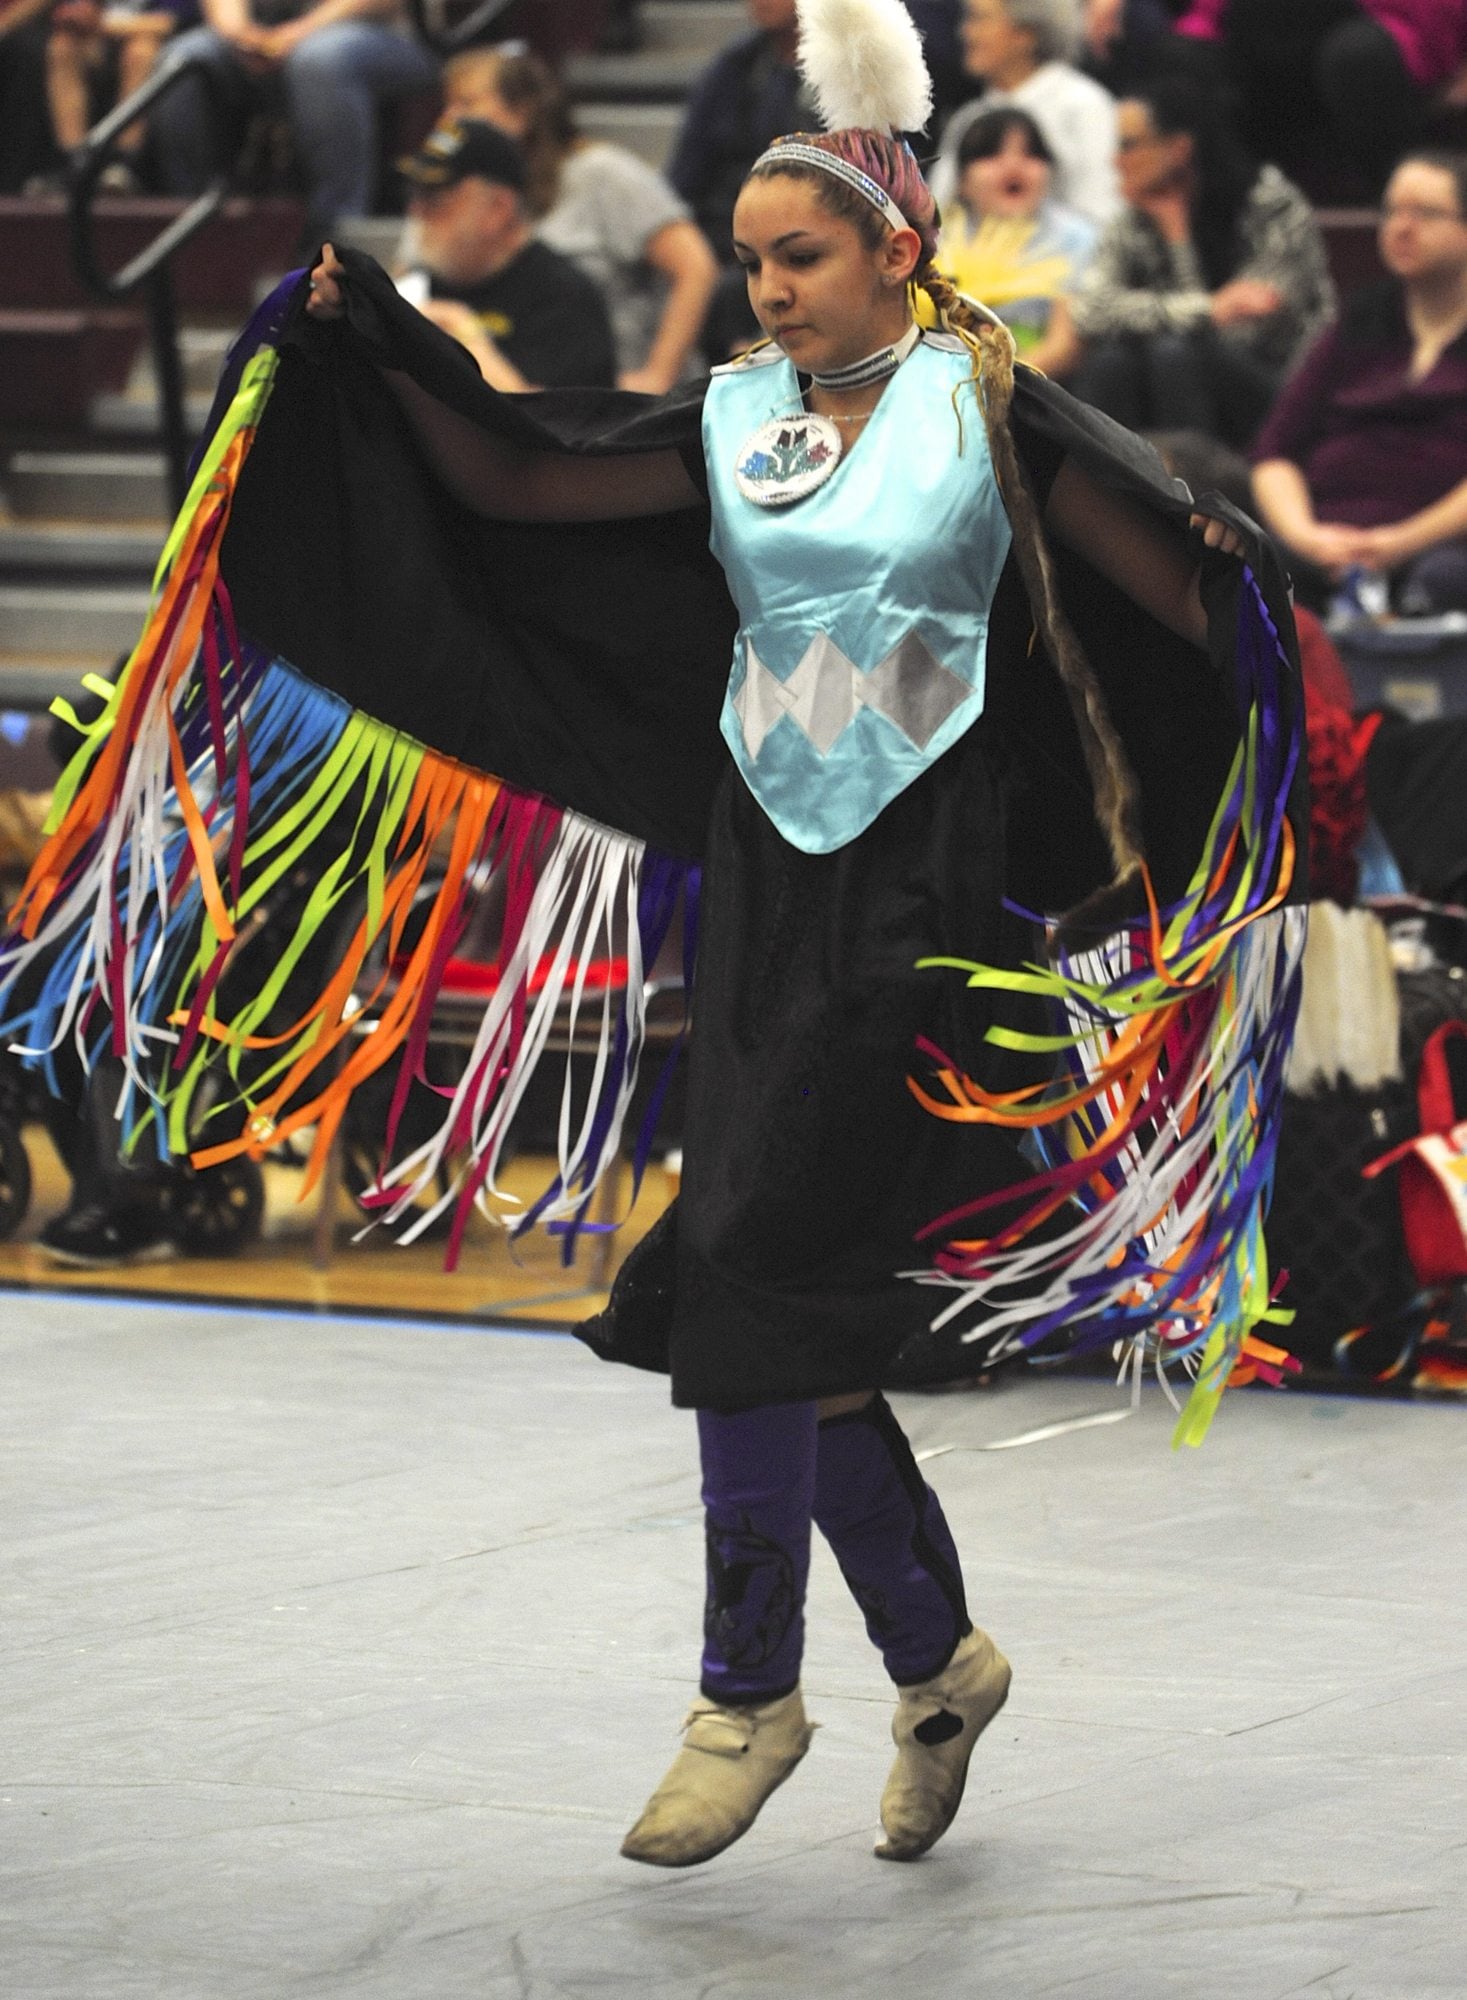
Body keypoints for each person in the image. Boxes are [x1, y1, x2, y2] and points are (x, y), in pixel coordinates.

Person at [1, 0, 1304, 1870]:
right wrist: (367, 344)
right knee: (760, 1298)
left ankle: (744, 1693)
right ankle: (936, 1665)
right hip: (763, 864)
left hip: (923, 889)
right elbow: (524, 477)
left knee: (745, 1270)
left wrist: (1247, 593)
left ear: (893, 250)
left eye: (800, 259)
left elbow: (1177, 589)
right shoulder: (732, 413)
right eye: (754, 262)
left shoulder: (986, 405)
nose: (767, 292)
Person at [1252, 148, 1467, 613]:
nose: (1401, 227)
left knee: (1444, 577)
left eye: (1426, 214)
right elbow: (1274, 453)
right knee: (1250, 562)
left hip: (1437, 547)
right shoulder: (1357, 322)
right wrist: (1306, 536)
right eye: (1391, 211)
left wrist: (1396, 543)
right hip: (1326, 544)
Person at [435, 44, 718, 394]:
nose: (448, 121)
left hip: (615, 396)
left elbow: (696, 266)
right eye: (446, 105)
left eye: (466, 104)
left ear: (521, 112)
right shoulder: (462, 191)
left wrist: (657, 377)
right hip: (520, 385)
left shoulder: (600, 174)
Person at [1070, 76, 1334, 446]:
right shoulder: (1137, 214)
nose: (1116, 161)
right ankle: (1097, 495)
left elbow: (1242, 333)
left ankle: (1198, 494)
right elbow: (1089, 312)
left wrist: (1179, 248)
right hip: (1179, 377)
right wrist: (1207, 306)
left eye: (1128, 146)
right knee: (1113, 362)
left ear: (1178, 148)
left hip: (1283, 392)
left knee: (1172, 353)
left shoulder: (1272, 207)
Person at [149, 0, 439, 242]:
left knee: (319, 59)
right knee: (183, 58)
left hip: (374, 33)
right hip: (265, 33)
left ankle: (337, 238)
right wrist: (237, 33)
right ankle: (190, 225)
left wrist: (298, 34)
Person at [396, 116, 618, 392]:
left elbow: (551, 426)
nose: (417, 212)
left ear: (498, 209)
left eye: (436, 201)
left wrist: (462, 332)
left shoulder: (565, 300)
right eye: (415, 196)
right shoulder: (420, 285)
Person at [1176, 0, 1467, 198]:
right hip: (1257, 31)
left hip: (1380, 27)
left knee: (1359, 58)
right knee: (1184, 59)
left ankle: (1400, 201)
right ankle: (1239, 208)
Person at [931, 0, 1122, 228]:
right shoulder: (969, 117)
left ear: (1026, 34)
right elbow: (936, 218)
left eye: (979, 19)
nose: (966, 32)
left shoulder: (1084, 106)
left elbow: (1103, 211)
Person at [938, 104, 1095, 378]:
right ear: (961, 179)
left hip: (1042, 387)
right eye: (991, 153)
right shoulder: (934, 241)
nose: (1013, 165)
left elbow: (1065, 346)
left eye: (1031, 153)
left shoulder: (1077, 239)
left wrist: (998, 383)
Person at [44, 0, 190, 187]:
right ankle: (74, 161)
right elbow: (70, 15)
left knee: (140, 51)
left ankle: (124, 163)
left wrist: (102, 25)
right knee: (62, 47)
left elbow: (168, 23)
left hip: (156, 43)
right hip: (99, 40)